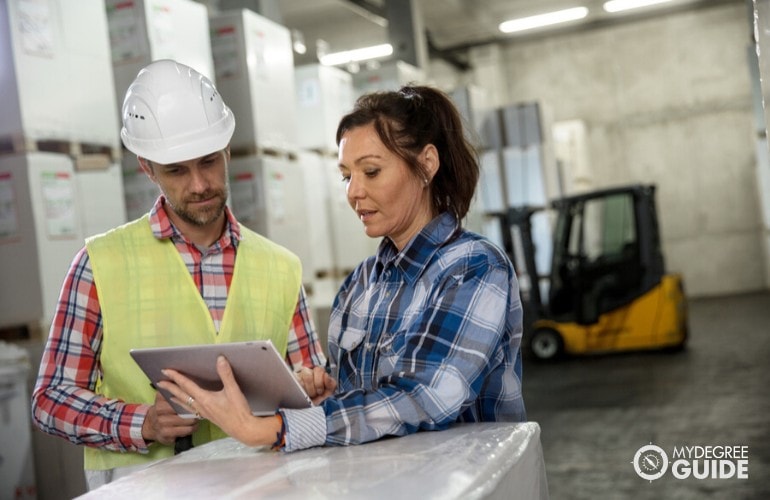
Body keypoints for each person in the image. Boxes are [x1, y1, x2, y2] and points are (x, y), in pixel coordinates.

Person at [158, 85, 526, 452]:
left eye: (371, 171)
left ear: (427, 164)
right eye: (346, 176)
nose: (353, 192)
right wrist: (321, 392)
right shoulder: (360, 284)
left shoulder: (473, 267)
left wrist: (277, 429)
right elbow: (362, 406)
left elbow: (427, 396)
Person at [30, 59, 326, 489]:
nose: (200, 183)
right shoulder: (98, 264)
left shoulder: (280, 266)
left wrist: (313, 387)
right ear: (147, 168)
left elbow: (310, 383)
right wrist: (142, 422)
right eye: (177, 170)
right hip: (143, 488)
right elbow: (50, 399)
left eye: (208, 162)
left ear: (226, 150)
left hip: (259, 482)